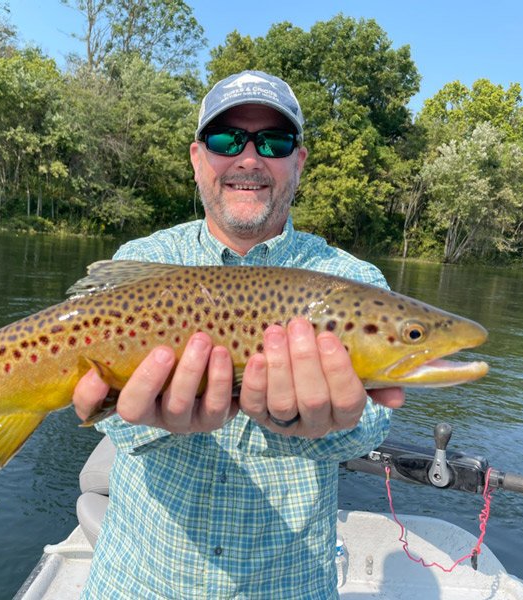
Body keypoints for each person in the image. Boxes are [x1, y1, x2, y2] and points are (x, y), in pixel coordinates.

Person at [73, 70, 405, 599]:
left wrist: (326, 425)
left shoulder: (356, 283)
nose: (249, 158)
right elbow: (98, 412)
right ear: (198, 157)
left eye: (274, 141)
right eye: (227, 139)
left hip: (286, 586)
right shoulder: (143, 261)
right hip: (140, 583)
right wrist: (137, 418)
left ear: (298, 161)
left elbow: (372, 427)